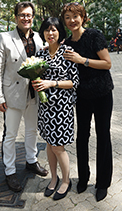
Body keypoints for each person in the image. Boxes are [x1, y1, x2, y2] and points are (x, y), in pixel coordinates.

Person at [0, 1, 48, 192]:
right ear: (16, 17)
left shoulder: (40, 39)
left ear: (33, 17)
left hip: (33, 94)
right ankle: (10, 171)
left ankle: (31, 161)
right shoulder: (5, 38)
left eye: (29, 15)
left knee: (32, 130)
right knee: (10, 135)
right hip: (12, 95)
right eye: (22, 15)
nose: (26, 18)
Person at [61, 2, 114, 202]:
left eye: (75, 16)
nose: (72, 20)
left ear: (83, 17)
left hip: (102, 94)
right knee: (82, 136)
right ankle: (83, 178)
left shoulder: (94, 36)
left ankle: (103, 183)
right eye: (67, 17)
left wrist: (82, 60)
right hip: (81, 96)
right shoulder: (66, 43)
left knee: (103, 135)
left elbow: (107, 63)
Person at [32, 17, 79, 201]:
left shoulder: (68, 52)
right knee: (50, 146)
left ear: (60, 32)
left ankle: (66, 181)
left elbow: (74, 82)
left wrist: (52, 83)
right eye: (46, 30)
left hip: (62, 108)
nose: (50, 33)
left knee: (58, 147)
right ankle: (54, 178)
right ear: (43, 33)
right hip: (45, 108)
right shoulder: (41, 54)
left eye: (54, 30)